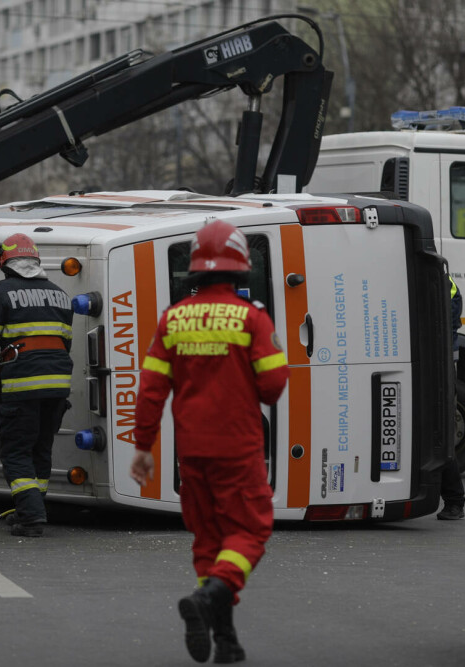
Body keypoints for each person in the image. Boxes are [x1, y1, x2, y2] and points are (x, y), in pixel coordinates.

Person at [130, 220, 289, 664]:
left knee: (209, 542)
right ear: (240, 265)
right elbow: (274, 385)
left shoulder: (173, 319)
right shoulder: (253, 318)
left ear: (196, 268)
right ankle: (209, 598)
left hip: (192, 452)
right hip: (238, 448)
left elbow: (151, 390)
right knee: (250, 531)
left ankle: (226, 642)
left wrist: (143, 447)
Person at [0, 233, 73, 537]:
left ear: (4, 262)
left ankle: (30, 516)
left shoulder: (2, 291)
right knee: (41, 449)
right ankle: (34, 508)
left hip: (21, 386)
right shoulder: (59, 292)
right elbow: (65, 343)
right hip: (57, 386)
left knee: (16, 452)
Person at [438, 276, 465, 520]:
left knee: (440, 429)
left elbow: (446, 320)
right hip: (436, 361)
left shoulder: (439, 278)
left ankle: (455, 501)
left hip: (441, 364)